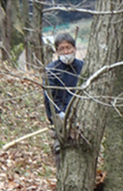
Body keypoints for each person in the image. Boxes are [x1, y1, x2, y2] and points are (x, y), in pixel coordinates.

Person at [43, 32, 84, 170]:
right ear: (57, 51)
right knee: (60, 150)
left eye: (69, 48)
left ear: (74, 48)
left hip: (82, 117)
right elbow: (49, 99)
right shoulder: (51, 70)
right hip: (61, 119)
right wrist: (57, 116)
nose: (66, 51)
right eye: (62, 49)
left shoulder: (83, 68)